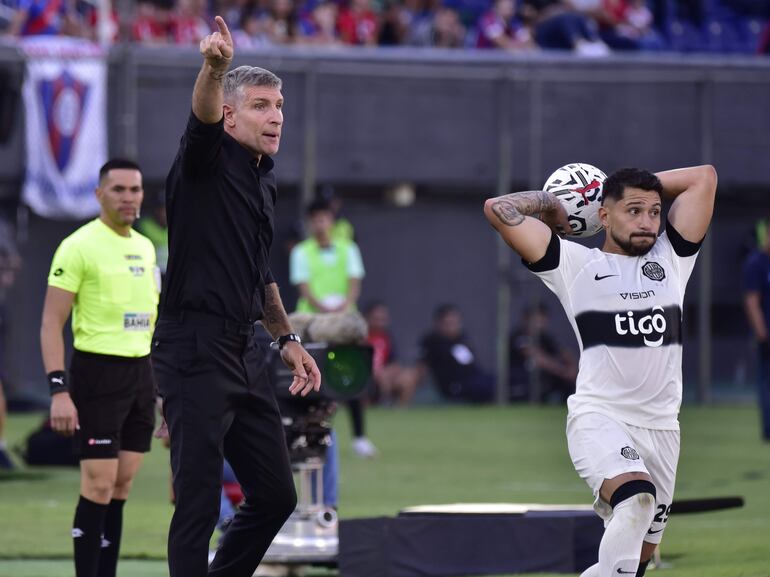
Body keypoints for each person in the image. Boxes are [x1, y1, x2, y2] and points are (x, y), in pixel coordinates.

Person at [484, 164, 717, 577]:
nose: (647, 222)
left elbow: (705, 177)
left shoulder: (673, 258)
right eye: (633, 211)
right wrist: (557, 204)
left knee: (633, 566)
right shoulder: (573, 264)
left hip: (664, 430)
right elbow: (498, 208)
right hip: (600, 418)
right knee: (636, 499)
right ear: (603, 216)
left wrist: (625, 190)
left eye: (654, 211)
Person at [150, 16, 321, 577]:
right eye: (260, 105)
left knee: (276, 496)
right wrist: (215, 68)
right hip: (192, 344)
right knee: (197, 503)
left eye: (279, 106)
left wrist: (287, 337)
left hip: (244, 346)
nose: (275, 116)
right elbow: (200, 115)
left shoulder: (262, 176)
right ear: (229, 114)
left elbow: (258, 272)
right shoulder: (204, 159)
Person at [39, 158, 159, 577]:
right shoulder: (78, 246)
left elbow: (154, 324)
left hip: (141, 376)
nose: (129, 198)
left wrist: (163, 393)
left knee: (122, 484)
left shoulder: (145, 248)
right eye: (119, 190)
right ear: (99, 194)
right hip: (96, 376)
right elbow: (51, 323)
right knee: (98, 485)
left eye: (136, 189)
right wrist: (59, 390)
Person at [290, 198, 377, 458]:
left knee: (351, 377)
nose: (320, 223)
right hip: (312, 324)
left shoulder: (347, 248)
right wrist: (323, 312)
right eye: (315, 218)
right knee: (310, 380)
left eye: (324, 217)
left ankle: (360, 437)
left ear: (331, 220)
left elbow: (354, 283)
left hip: (343, 325)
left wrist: (342, 309)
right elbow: (303, 287)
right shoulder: (301, 252)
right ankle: (306, 434)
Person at [417, 304, 495, 403]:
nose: (452, 327)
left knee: (496, 381)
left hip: (475, 379)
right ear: (439, 323)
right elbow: (421, 367)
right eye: (448, 323)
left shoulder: (462, 338)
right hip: (454, 386)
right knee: (486, 386)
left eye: (455, 323)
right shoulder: (432, 341)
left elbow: (470, 362)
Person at [509, 302, 577, 403]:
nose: (540, 323)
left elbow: (564, 353)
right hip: (521, 380)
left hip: (546, 379)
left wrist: (573, 369)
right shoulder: (519, 335)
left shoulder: (545, 337)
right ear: (527, 319)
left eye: (543, 319)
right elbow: (539, 358)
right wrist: (564, 372)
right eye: (537, 319)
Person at [741, 216, 770, 442]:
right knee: (766, 383)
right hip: (766, 337)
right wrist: (762, 335)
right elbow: (752, 301)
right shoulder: (756, 263)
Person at [365, 301, 420, 406]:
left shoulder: (387, 337)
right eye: (377, 319)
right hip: (366, 377)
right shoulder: (360, 337)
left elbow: (395, 363)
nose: (380, 322)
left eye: (383, 319)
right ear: (367, 318)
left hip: (385, 376)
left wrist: (386, 372)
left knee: (408, 377)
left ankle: (398, 410)